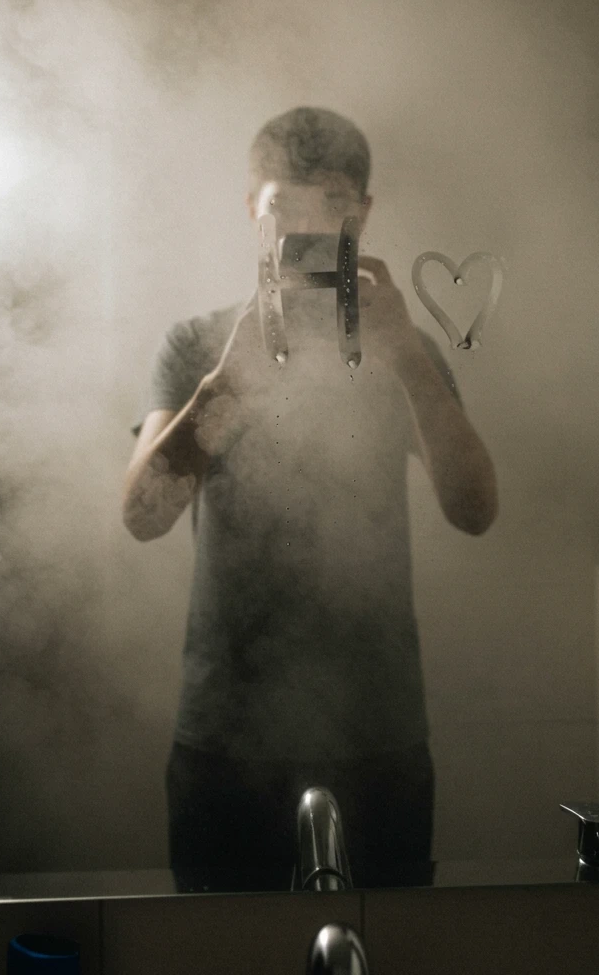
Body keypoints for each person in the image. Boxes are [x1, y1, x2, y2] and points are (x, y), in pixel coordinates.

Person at [123, 106, 498, 892]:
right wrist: (230, 381)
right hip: (226, 730)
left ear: (362, 215)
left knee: (387, 946)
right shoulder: (197, 344)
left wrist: (404, 356)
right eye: (281, 206)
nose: (305, 226)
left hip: (376, 730)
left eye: (329, 205)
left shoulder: (403, 348)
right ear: (250, 213)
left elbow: (473, 509)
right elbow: (144, 515)